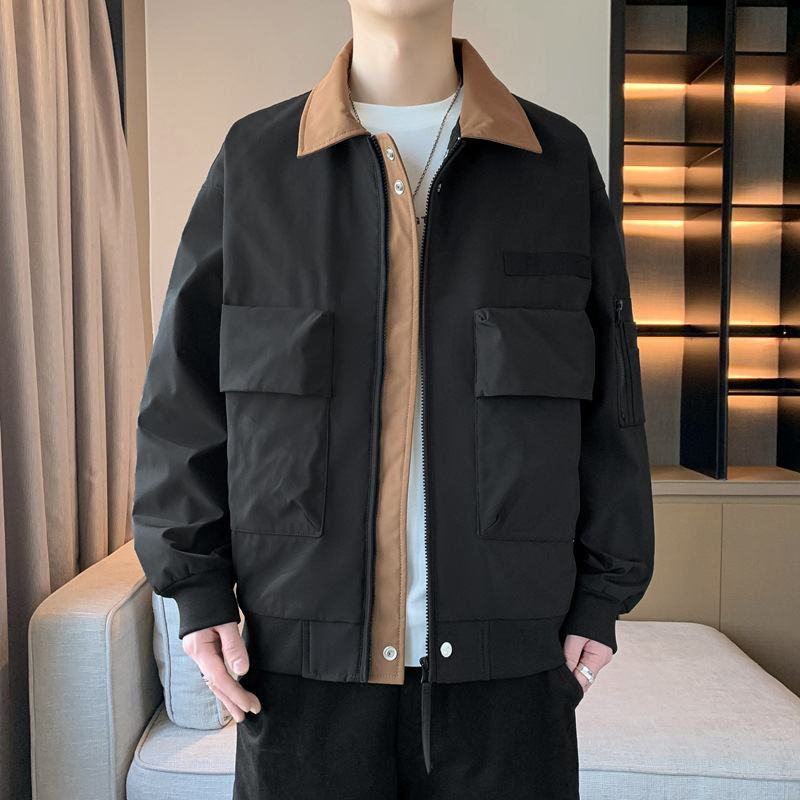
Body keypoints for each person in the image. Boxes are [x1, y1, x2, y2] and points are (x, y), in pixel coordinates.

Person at [132, 1, 655, 797]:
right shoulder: (257, 161)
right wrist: (198, 592)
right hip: (299, 669)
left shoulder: (554, 163)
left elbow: (614, 404)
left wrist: (602, 597)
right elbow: (183, 397)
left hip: (512, 670)